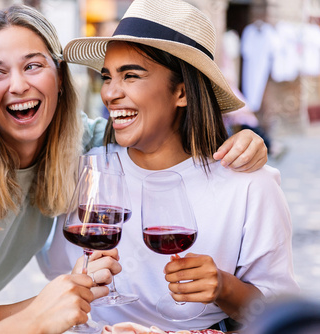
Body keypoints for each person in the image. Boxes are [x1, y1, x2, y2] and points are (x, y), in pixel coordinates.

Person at [0, 4, 269, 333]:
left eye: (32, 65)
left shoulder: (80, 144)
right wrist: (51, 304)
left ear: (59, 77)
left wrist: (247, 141)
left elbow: (153, 134)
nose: (17, 85)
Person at [39, 0, 299, 332]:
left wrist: (224, 287)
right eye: (107, 77)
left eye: (130, 75)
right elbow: (59, 274)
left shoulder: (249, 184)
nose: (109, 93)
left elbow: (282, 315)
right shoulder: (91, 170)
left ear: (181, 92)